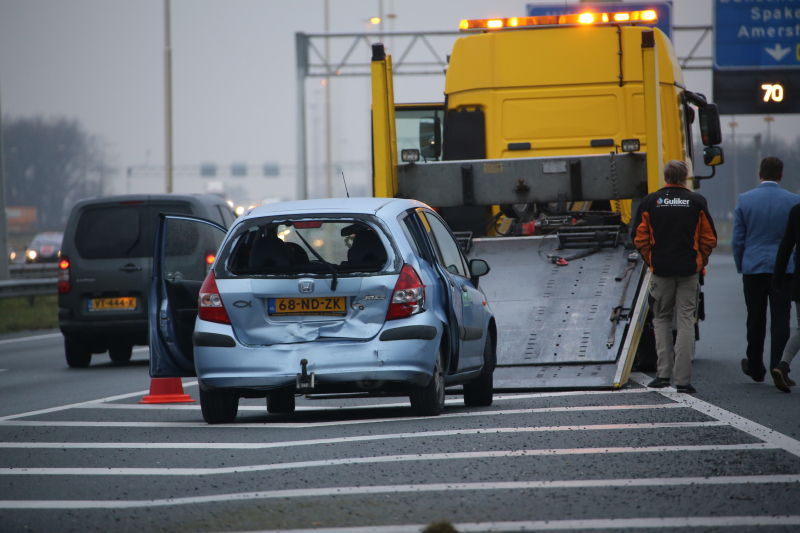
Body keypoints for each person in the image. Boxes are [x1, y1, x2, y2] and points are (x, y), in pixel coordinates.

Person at [632, 160, 717, 393]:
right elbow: (709, 239)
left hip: (661, 271)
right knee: (686, 321)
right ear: (685, 176)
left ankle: (662, 375)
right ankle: (682, 381)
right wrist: (700, 261)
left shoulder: (650, 201)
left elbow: (639, 238)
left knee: (660, 320)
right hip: (689, 271)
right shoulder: (697, 201)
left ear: (665, 175)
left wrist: (652, 260)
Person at [732, 157, 800, 384]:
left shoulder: (744, 200)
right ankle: (778, 366)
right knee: (782, 319)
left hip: (753, 268)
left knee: (755, 318)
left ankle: (755, 366)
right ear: (781, 175)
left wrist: (742, 264)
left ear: (759, 174)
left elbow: (737, 240)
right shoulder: (793, 201)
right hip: (785, 269)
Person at [770, 200, 800, 393]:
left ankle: (783, 364)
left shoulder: (797, 211)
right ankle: (782, 365)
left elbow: (786, 247)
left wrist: (777, 279)